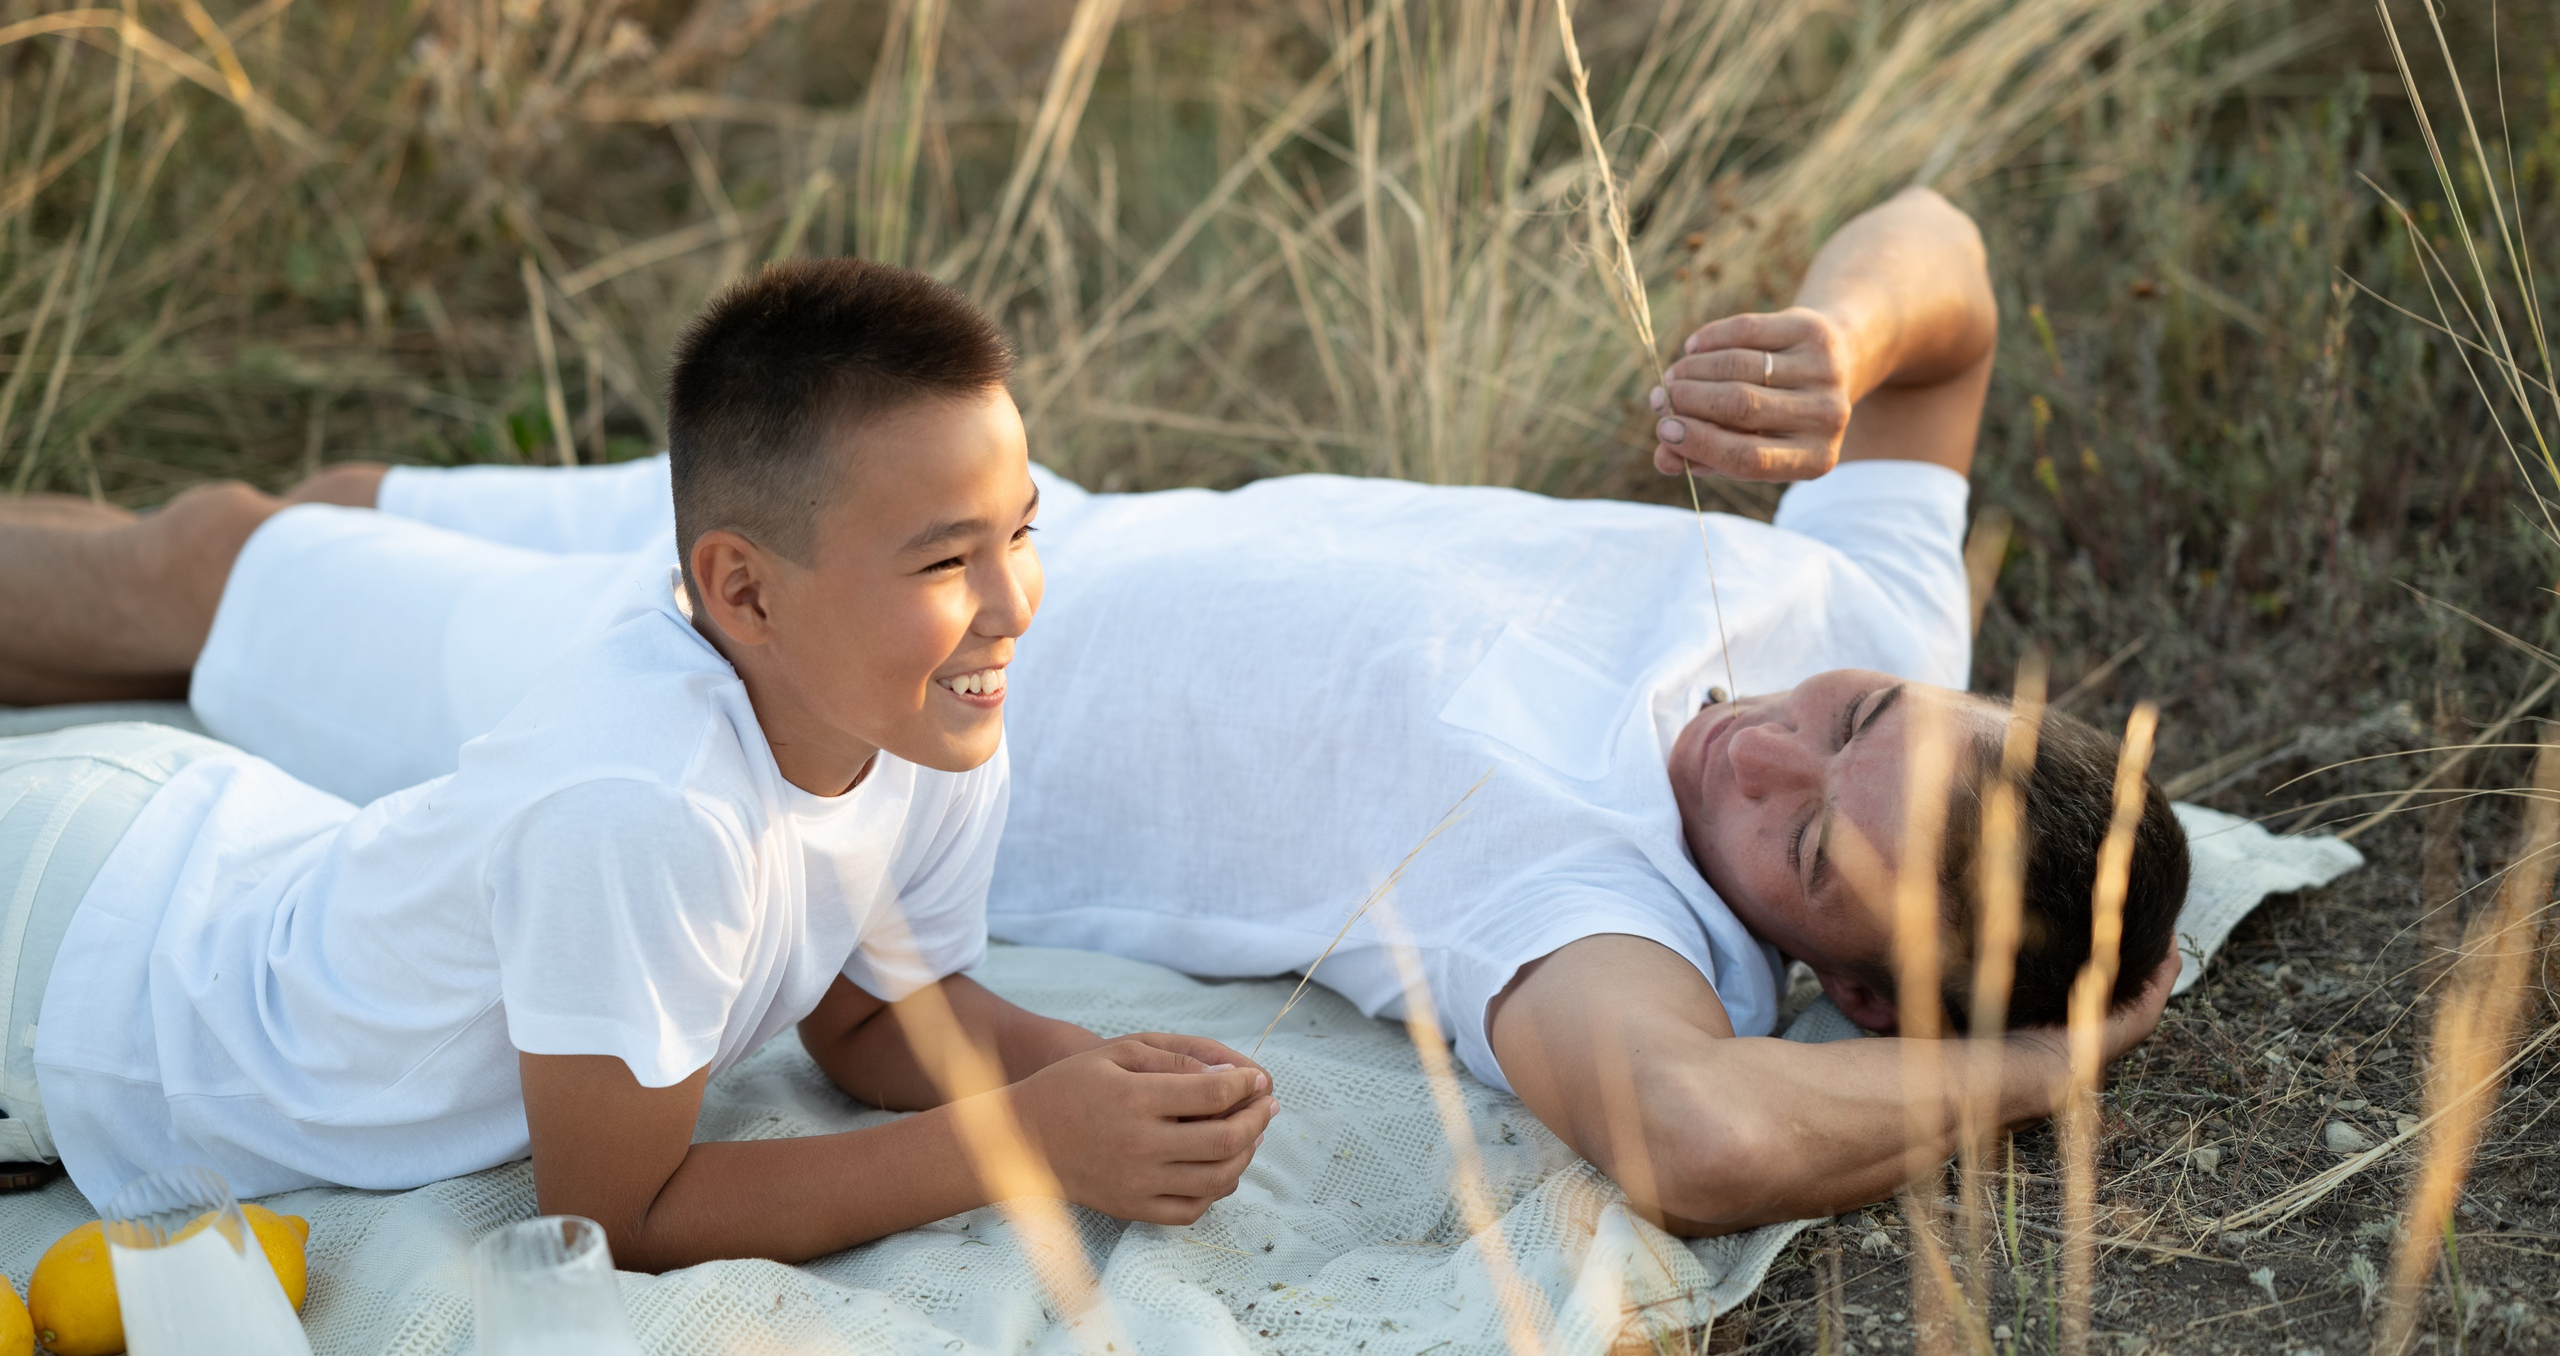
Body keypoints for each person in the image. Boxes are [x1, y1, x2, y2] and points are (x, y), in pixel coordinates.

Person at [0, 188, 2185, 1237]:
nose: (1760, 753)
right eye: (1850, 713)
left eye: (1803, 846)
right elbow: (1947, 277)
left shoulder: (1597, 915)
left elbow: (1697, 1134)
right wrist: (1835, 319)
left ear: (1828, 973)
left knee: (206, 591)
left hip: (834, 726)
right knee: (257, 528)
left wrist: (2041, 1056)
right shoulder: (1853, 576)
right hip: (924, 522)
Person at [0, 262, 1277, 1266]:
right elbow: (619, 1215)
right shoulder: (647, 801)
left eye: (1022, 532)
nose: (1011, 601)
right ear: (743, 591)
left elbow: (875, 1013)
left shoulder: (924, 714)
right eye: (947, 560)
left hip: (218, 845)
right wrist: (1021, 1142)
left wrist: (1089, 1070)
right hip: (81, 973)